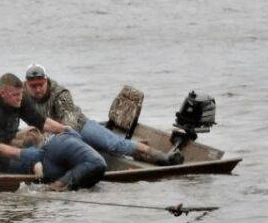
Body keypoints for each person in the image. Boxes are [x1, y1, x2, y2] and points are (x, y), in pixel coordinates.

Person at [0, 73, 106, 190]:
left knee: (10, 151)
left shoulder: (20, 100)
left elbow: (41, 122)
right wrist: (23, 154)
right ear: (3, 93)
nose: (20, 98)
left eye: (21, 94)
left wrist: (64, 128)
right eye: (16, 95)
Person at [21, 64, 182, 165]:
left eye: (41, 85)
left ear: (46, 81)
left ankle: (158, 154)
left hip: (78, 126)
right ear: (26, 84)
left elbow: (69, 123)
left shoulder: (60, 94)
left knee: (113, 145)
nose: (37, 89)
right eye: (33, 86)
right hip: (49, 134)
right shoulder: (20, 95)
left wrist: (55, 137)